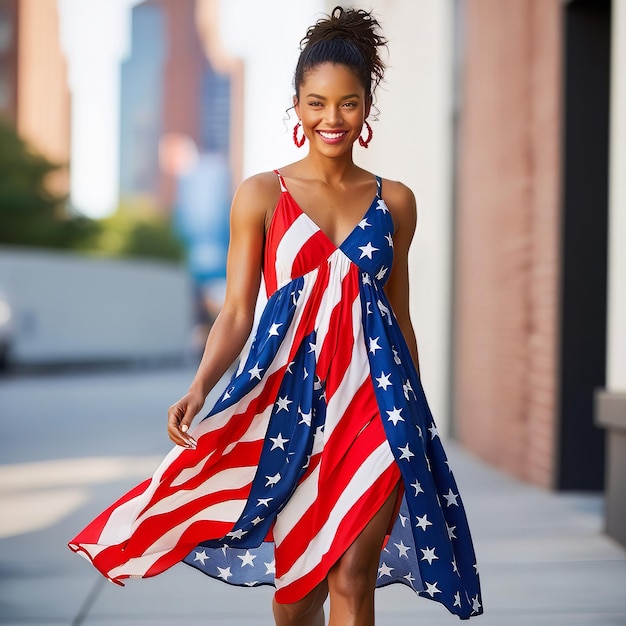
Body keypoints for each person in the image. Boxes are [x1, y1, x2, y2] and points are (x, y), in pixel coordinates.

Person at [69, 6, 483, 624]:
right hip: (289, 404)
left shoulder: (395, 201)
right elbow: (237, 310)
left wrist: (416, 420)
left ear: (366, 105)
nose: (331, 119)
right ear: (296, 105)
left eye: (347, 103)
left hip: (376, 404)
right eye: (316, 103)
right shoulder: (262, 195)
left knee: (352, 580)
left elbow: (398, 315)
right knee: (296, 598)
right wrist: (200, 385)